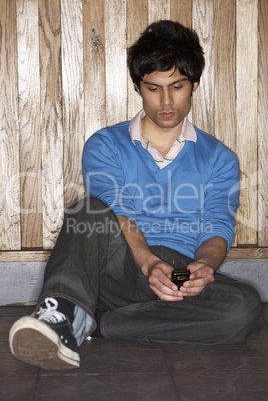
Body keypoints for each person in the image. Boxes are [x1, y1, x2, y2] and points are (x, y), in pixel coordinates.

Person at [9, 20, 263, 370]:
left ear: (194, 85)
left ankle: (102, 322)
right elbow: (120, 213)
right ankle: (59, 315)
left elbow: (216, 226)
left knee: (245, 308)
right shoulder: (106, 145)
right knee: (90, 210)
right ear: (138, 88)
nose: (166, 100)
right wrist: (147, 262)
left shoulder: (220, 158)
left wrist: (204, 267)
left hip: (178, 273)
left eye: (177, 86)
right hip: (124, 262)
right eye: (153, 88)